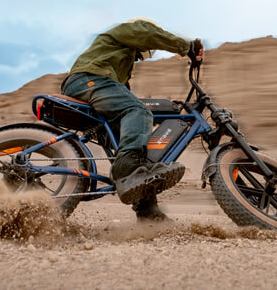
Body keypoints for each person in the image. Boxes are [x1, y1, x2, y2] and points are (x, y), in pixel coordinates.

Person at [61, 18, 204, 221]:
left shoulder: (122, 63)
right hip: (88, 79)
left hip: (91, 83)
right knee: (139, 112)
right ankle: (125, 168)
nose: (138, 57)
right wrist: (187, 47)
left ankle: (147, 210)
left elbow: (124, 96)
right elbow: (147, 32)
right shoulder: (128, 32)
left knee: (134, 143)